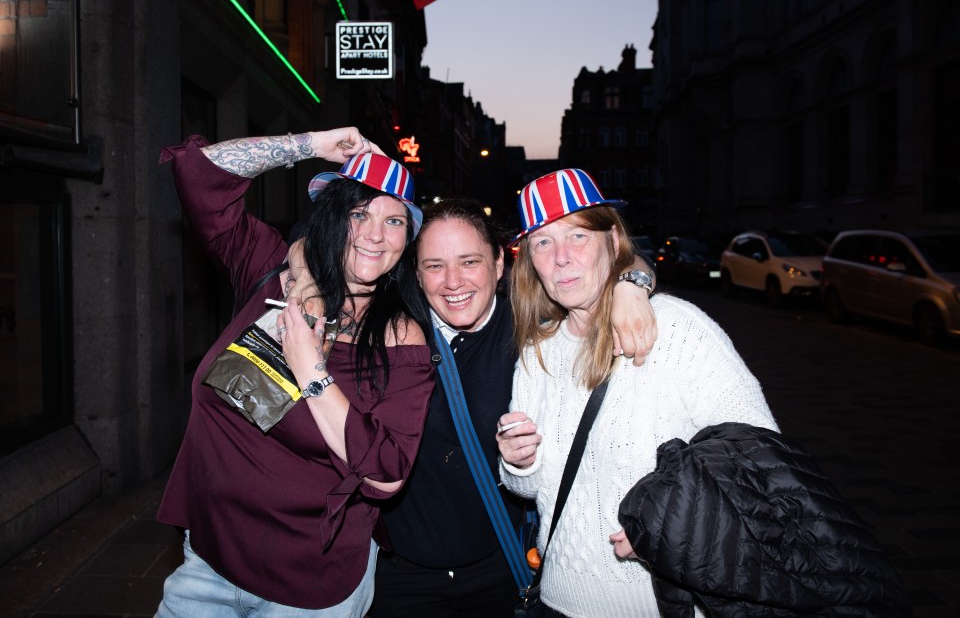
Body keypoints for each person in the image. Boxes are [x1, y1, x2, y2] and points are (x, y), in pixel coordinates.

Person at [154, 128, 435, 617]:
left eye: (394, 221)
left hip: (312, 584)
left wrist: (311, 368)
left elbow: (386, 475)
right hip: (207, 561)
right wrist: (311, 145)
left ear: (407, 240)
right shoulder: (271, 272)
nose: (374, 234)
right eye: (359, 213)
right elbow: (198, 175)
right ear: (331, 217)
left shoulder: (399, 338)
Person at [497, 169, 779, 618]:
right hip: (556, 598)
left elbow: (761, 456)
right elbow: (529, 488)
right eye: (543, 243)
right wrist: (518, 459)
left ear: (612, 239)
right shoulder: (537, 352)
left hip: (664, 603)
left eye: (577, 236)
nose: (561, 258)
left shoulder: (679, 329)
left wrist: (671, 522)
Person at [370, 198, 659, 618]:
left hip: (502, 566)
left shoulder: (533, 333)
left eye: (469, 261)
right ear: (416, 272)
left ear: (500, 264)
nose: (452, 282)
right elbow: (328, 257)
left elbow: (596, 272)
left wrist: (632, 284)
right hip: (401, 574)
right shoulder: (394, 332)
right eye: (434, 266)